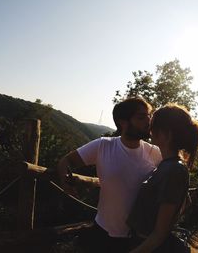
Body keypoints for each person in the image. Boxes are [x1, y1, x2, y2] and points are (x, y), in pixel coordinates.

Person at [57, 97, 162, 252]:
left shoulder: (155, 152)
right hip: (103, 232)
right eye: (141, 117)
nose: (149, 121)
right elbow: (66, 161)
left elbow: (175, 175)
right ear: (123, 122)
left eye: (149, 116)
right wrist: (65, 183)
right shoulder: (103, 146)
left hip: (138, 237)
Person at [127, 103, 198, 252]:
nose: (150, 129)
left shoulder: (173, 170)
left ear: (167, 134)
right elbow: (184, 202)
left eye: (153, 126)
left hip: (148, 246)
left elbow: (159, 234)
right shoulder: (169, 165)